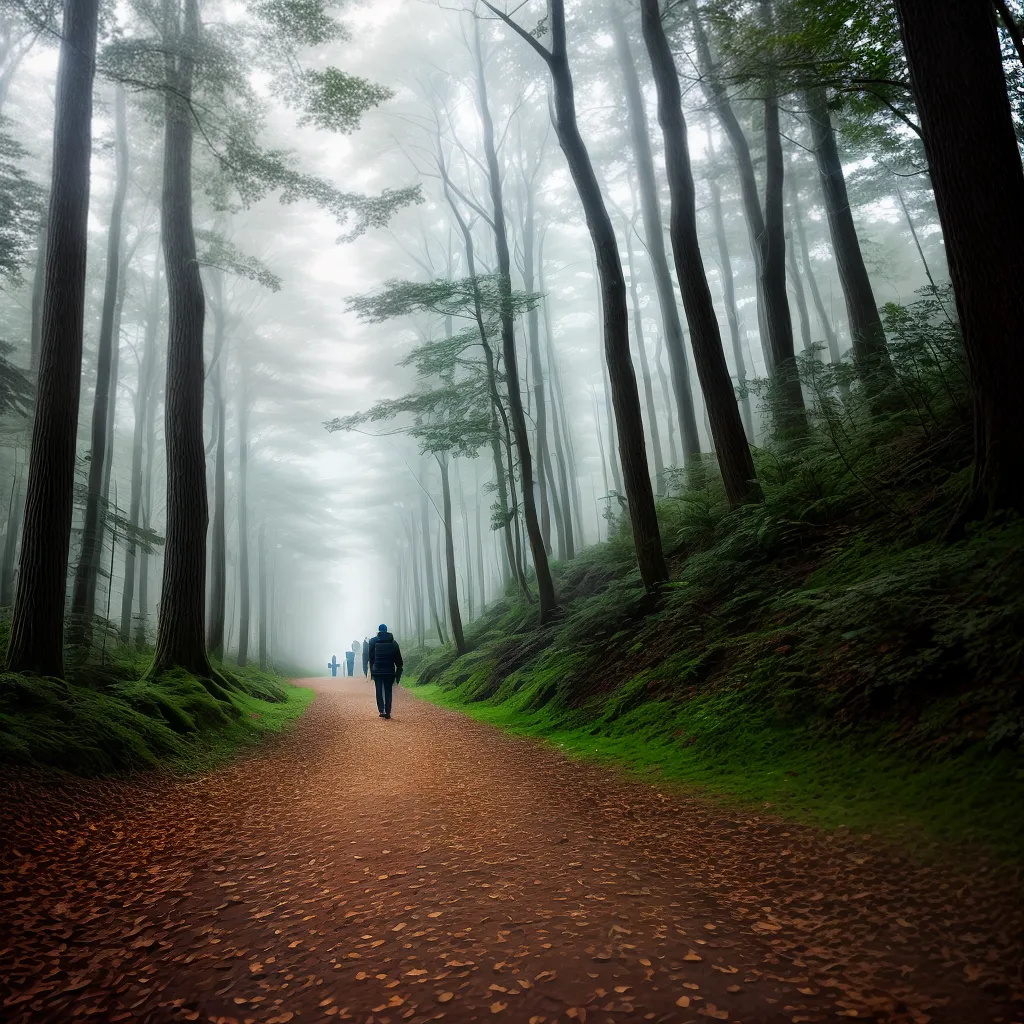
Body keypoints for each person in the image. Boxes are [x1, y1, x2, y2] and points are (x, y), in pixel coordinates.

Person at [367, 623, 403, 720]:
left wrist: (372, 670)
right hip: (389, 671)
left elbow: (371, 657)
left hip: (377, 670)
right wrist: (397, 674)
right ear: (387, 630)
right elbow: (398, 660)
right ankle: (388, 711)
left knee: (378, 690)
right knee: (388, 691)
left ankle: (381, 710)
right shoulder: (393, 642)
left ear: (379, 630)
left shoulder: (373, 641)